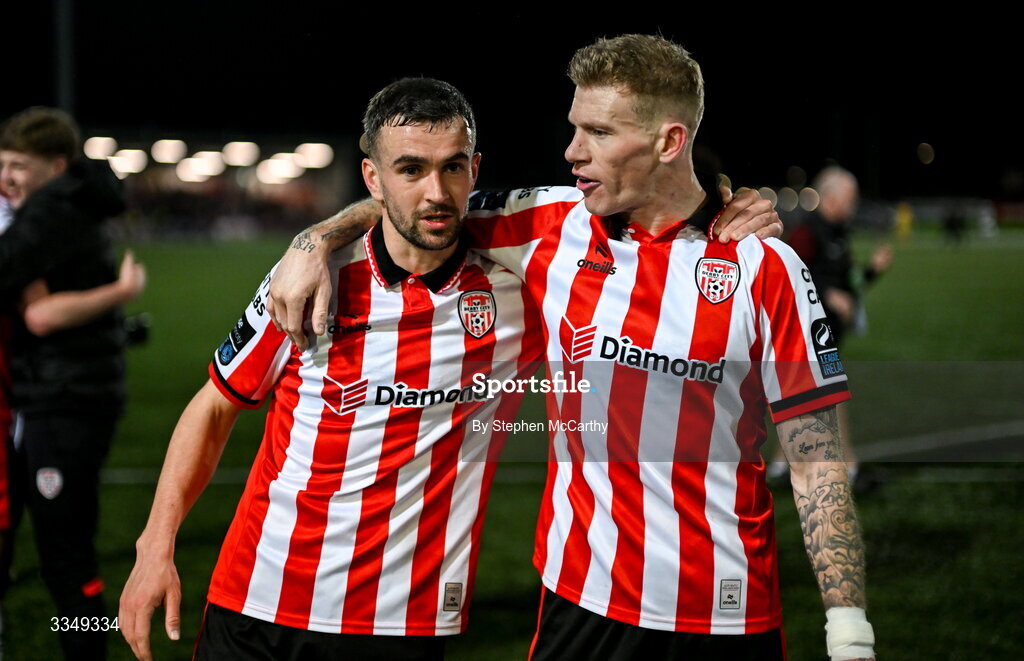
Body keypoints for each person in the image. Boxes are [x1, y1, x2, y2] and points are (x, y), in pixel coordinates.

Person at [268, 35, 876, 661]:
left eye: (600, 133)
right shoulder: (549, 225)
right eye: (573, 128)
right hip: (579, 604)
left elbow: (816, 459)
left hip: (722, 613)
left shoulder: (764, 265)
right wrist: (313, 240)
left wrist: (848, 629)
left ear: (670, 142)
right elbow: (419, 201)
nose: (572, 152)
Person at [0, 106, 146, 660]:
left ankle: (88, 654)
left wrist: (118, 296)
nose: (7, 177)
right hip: (59, 396)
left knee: (66, 556)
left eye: (18, 165)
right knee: (59, 547)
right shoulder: (62, 205)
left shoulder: (51, 211)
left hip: (67, 402)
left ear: (55, 166)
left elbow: (33, 311)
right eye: (2, 165)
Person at [778, 165, 892, 485]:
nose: (854, 204)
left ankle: (778, 466)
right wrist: (829, 295)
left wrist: (872, 270)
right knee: (832, 394)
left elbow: (850, 285)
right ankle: (850, 470)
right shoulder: (806, 232)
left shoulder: (840, 231)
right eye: (850, 197)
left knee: (805, 400)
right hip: (806, 332)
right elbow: (789, 277)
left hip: (828, 333)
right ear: (831, 197)